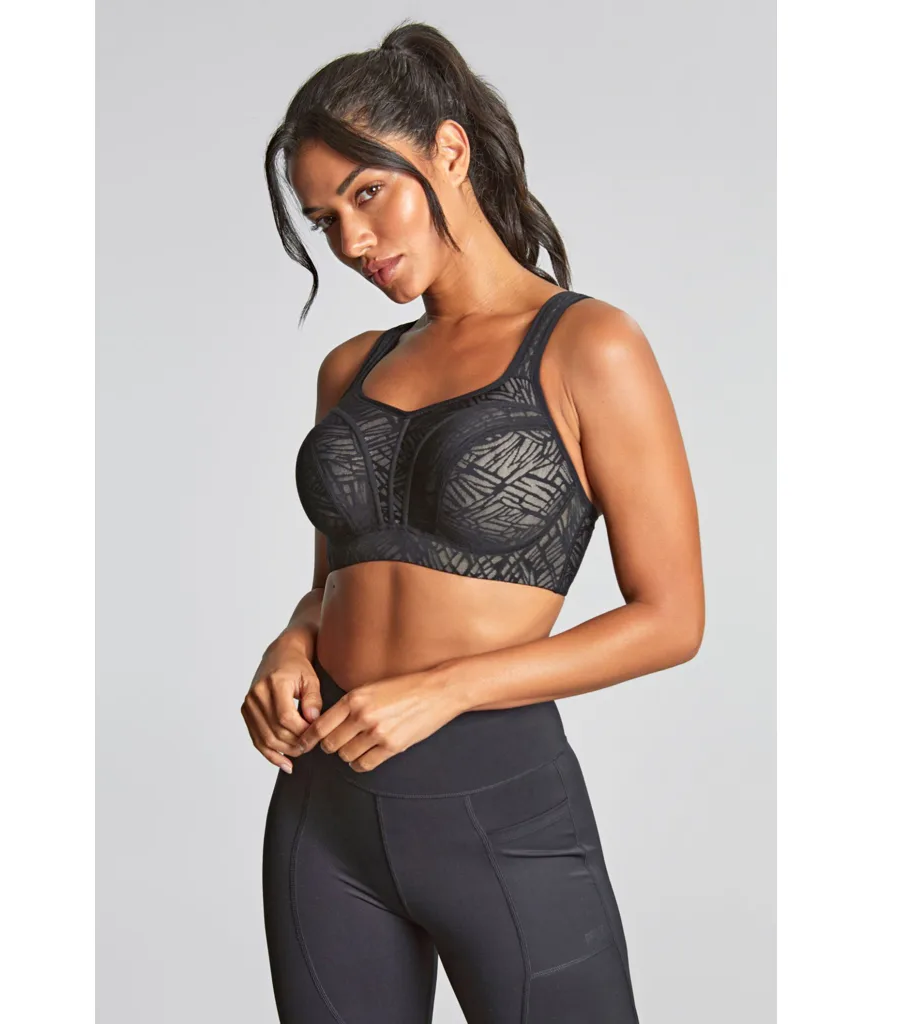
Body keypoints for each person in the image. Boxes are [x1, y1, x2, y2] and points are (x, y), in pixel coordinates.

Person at [245, 20, 705, 1024]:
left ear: (449, 152)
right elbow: (334, 583)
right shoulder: (350, 368)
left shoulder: (589, 345)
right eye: (324, 219)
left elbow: (672, 619)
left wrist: (443, 689)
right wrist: (290, 642)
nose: (351, 242)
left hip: (500, 810)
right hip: (322, 815)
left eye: (369, 193)